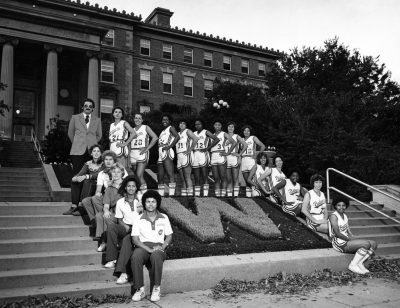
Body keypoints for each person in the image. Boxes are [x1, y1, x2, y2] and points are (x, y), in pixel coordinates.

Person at [131, 190, 173, 302]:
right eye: (148, 201)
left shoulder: (164, 217)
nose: (150, 204)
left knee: (156, 256)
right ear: (144, 203)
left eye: (153, 202)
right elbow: (135, 239)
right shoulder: (138, 218)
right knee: (136, 256)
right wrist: (148, 249)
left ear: (157, 203)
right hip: (143, 246)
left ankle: (156, 288)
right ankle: (140, 289)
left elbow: (169, 235)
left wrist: (163, 247)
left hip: (159, 247)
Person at [82, 151, 127, 250]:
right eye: (106, 159)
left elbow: (128, 186)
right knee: (91, 204)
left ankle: (104, 235)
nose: (108, 161)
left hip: (120, 204)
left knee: (103, 215)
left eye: (110, 159)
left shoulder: (123, 177)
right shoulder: (102, 174)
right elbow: (99, 190)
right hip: (108, 196)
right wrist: (99, 194)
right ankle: (99, 226)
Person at [104, 175, 143, 284]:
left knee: (127, 240)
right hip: (126, 226)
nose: (131, 188)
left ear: (136, 188)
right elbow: (119, 219)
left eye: (133, 186)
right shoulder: (120, 202)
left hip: (138, 229)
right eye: (129, 186)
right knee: (112, 227)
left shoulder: (141, 199)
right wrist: (124, 225)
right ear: (125, 188)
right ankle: (111, 258)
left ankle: (123, 272)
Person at [328, 198, 378, 274]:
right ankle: (353, 265)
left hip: (346, 240)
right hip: (338, 243)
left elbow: (348, 231)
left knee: (373, 243)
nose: (341, 207)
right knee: (366, 244)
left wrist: (353, 237)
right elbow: (337, 233)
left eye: (343, 205)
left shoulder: (345, 216)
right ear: (335, 206)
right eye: (339, 205)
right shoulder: (333, 216)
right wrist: (350, 240)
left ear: (346, 206)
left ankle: (360, 263)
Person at [63, 144, 104, 215]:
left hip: (99, 185)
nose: (96, 153)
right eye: (94, 151)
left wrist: (86, 176)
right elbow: (81, 173)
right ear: (91, 153)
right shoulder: (88, 163)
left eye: (98, 151)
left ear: (101, 153)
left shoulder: (103, 164)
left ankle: (83, 207)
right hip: (88, 183)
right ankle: (74, 206)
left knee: (86, 181)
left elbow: (98, 175)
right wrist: (76, 177)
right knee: (75, 182)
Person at [95, 163, 125, 252]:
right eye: (114, 172)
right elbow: (106, 205)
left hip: (124, 213)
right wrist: (106, 210)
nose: (116, 174)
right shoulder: (109, 188)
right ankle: (104, 241)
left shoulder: (127, 185)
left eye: (118, 172)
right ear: (111, 173)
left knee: (107, 218)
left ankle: (108, 241)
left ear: (122, 173)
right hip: (114, 212)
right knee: (100, 215)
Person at [68, 98, 102, 176]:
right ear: (82, 107)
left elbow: (99, 135)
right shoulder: (75, 118)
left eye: (90, 106)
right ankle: (76, 188)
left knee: (91, 174)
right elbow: (70, 133)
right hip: (77, 150)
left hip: (92, 151)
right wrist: (76, 143)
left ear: (93, 108)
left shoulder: (97, 120)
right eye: (86, 105)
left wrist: (92, 142)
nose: (88, 107)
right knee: (77, 173)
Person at [130, 113, 158, 194]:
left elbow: (155, 138)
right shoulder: (132, 129)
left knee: (139, 175)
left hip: (142, 153)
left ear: (142, 120)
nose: (137, 120)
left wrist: (147, 148)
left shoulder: (145, 127)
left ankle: (145, 194)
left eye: (139, 118)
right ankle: (140, 192)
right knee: (137, 176)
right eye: (136, 118)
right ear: (134, 119)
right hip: (133, 153)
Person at [192, 119, 219, 197]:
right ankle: (197, 195)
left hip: (203, 154)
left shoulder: (206, 132)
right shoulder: (193, 133)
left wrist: (208, 148)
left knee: (204, 176)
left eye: (199, 124)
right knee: (196, 177)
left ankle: (206, 195)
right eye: (196, 124)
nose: (197, 126)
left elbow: (216, 139)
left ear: (202, 125)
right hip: (195, 154)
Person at [210, 120, 236, 197]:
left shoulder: (224, 134)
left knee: (223, 177)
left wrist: (228, 153)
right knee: (216, 177)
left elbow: (234, 142)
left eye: (219, 125)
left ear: (221, 126)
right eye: (215, 125)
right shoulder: (212, 135)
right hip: (213, 156)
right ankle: (218, 195)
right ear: (213, 126)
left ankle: (223, 194)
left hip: (221, 155)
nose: (217, 126)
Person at [157, 115, 179, 197]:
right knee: (160, 176)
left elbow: (177, 137)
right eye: (163, 119)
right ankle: (161, 195)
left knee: (170, 174)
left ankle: (172, 194)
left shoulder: (171, 128)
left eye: (166, 119)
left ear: (170, 121)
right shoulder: (163, 131)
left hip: (167, 151)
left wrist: (169, 146)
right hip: (160, 152)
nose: (164, 121)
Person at [241, 125, 265, 197]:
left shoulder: (253, 138)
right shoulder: (241, 139)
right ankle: (249, 196)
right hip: (243, 160)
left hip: (251, 160)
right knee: (246, 180)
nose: (246, 132)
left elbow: (263, 146)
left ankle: (260, 190)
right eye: (245, 130)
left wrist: (258, 155)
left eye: (248, 130)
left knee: (251, 179)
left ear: (250, 132)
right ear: (243, 132)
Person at [176, 120, 199, 196]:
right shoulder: (177, 134)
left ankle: (190, 196)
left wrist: (190, 149)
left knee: (187, 177)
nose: (182, 124)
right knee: (182, 178)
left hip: (186, 155)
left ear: (186, 125)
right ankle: (183, 196)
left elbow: (196, 139)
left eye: (184, 123)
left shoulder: (187, 131)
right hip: (179, 156)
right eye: (181, 123)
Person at [225, 122, 247, 197]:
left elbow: (245, 145)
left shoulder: (236, 136)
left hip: (234, 158)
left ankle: (236, 195)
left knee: (235, 178)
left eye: (232, 127)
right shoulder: (224, 135)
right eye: (229, 126)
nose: (230, 128)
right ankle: (229, 195)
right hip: (226, 158)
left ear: (234, 128)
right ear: (227, 127)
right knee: (229, 179)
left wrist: (239, 154)